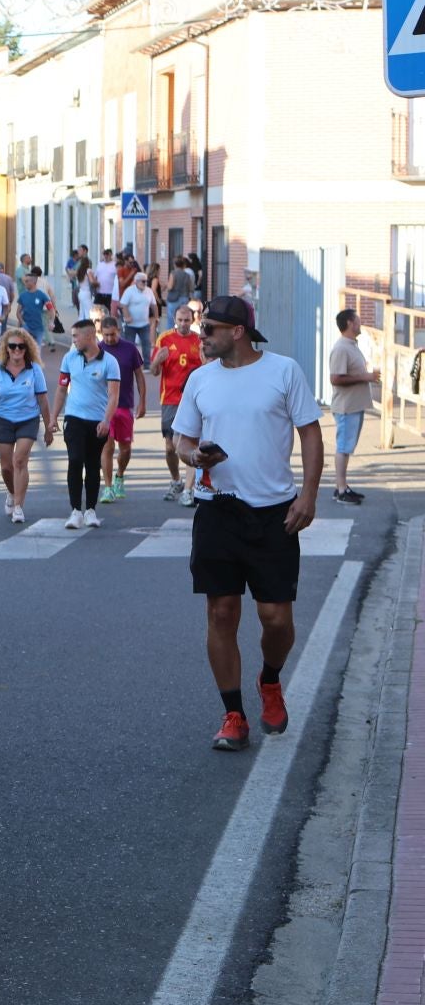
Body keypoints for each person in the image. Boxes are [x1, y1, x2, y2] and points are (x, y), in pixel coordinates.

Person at [172, 296, 323, 752]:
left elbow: (310, 432)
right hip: (217, 508)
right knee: (221, 612)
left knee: (275, 618)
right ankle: (233, 714)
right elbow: (183, 439)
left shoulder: (283, 371)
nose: (202, 335)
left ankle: (270, 680)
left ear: (237, 331)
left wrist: (310, 495)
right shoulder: (200, 379)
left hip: (274, 511)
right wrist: (192, 456)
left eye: (210, 328)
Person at [50, 318, 120, 529]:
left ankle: (90, 510)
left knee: (92, 464)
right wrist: (54, 417)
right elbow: (62, 389)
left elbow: (113, 395)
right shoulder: (69, 358)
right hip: (74, 418)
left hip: (97, 421)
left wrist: (106, 420)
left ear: (89, 336)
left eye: (75, 336)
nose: (73, 340)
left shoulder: (109, 362)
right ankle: (75, 511)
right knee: (75, 460)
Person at [0, 329, 53, 524]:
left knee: (20, 461)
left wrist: (48, 427)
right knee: (6, 467)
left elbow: (43, 400)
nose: (16, 350)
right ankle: (12, 492)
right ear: (6, 348)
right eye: (12, 346)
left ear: (27, 348)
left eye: (21, 346)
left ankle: (18, 507)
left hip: (28, 420)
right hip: (3, 420)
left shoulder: (34, 370)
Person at [153, 304, 206, 506]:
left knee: (190, 443)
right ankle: (176, 480)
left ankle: (188, 490)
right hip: (170, 400)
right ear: (174, 319)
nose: (183, 324)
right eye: (180, 320)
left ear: (192, 320)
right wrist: (157, 360)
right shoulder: (165, 339)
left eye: (187, 320)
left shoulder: (198, 340)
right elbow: (156, 371)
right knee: (170, 447)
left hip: (192, 400)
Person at [328, 309, 379, 504]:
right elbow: (335, 378)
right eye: (358, 320)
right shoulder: (341, 348)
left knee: (346, 448)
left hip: (354, 406)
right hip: (346, 407)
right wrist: (365, 377)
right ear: (350, 323)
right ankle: (341, 491)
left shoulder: (351, 345)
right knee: (343, 447)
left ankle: (342, 486)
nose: (360, 323)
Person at [95, 315, 147, 503]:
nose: (109, 339)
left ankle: (119, 475)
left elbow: (139, 376)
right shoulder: (97, 350)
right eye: (106, 335)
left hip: (125, 404)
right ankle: (108, 487)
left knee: (125, 449)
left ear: (119, 331)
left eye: (113, 334)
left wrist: (142, 401)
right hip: (103, 407)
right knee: (107, 447)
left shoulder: (130, 349)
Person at [118, 271, 158, 362]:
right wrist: (127, 316)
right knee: (130, 345)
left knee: (146, 343)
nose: (145, 283)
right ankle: (129, 362)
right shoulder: (129, 291)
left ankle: (147, 363)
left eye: (146, 281)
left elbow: (154, 305)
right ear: (136, 281)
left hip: (144, 324)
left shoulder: (149, 291)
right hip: (131, 324)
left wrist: (156, 318)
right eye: (142, 281)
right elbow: (122, 304)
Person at [15, 268, 58, 351]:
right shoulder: (23, 296)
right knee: (24, 350)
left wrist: (51, 322)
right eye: (25, 281)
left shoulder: (42, 295)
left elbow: (51, 309)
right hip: (26, 327)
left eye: (27, 281)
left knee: (37, 352)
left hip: (39, 328)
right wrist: (23, 323)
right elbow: (18, 312)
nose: (25, 283)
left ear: (34, 282)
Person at [165, 256, 196, 327]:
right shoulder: (187, 275)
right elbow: (191, 288)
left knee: (171, 320)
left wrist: (166, 285)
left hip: (174, 299)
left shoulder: (173, 273)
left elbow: (170, 287)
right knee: (183, 318)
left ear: (174, 264)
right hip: (185, 298)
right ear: (184, 265)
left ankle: (171, 335)